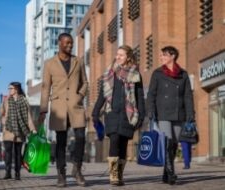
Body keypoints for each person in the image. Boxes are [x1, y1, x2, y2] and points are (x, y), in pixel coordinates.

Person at [39, 33, 88, 187]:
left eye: (71, 43)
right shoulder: (49, 63)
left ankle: (77, 169)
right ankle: (61, 174)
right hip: (58, 108)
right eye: (67, 43)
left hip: (76, 106)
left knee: (81, 136)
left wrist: (79, 96)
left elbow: (85, 82)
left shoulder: (78, 61)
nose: (70, 45)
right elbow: (46, 87)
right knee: (61, 141)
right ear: (59, 43)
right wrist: (43, 110)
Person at [92, 45, 145, 186]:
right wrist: (95, 111)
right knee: (114, 141)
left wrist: (141, 116)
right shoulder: (110, 73)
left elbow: (139, 97)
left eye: (121, 55)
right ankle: (114, 175)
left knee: (123, 145)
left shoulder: (135, 74)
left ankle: (119, 173)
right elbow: (102, 95)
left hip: (128, 115)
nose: (118, 57)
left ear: (128, 57)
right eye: (117, 54)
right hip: (112, 113)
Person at [147, 46, 195, 185]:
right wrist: (150, 110)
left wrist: (190, 113)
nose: (161, 57)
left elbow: (188, 96)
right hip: (163, 112)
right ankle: (171, 173)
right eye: (161, 55)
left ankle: (165, 174)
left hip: (179, 113)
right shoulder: (157, 73)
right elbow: (151, 94)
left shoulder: (183, 74)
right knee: (167, 141)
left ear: (172, 56)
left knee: (173, 144)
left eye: (164, 55)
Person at [0, 82, 36, 180]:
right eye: (9, 88)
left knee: (17, 153)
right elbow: (1, 112)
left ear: (16, 89)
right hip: (8, 129)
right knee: (8, 152)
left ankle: (17, 173)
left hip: (20, 130)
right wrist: (4, 120)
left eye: (10, 88)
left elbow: (28, 116)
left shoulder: (24, 100)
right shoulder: (7, 100)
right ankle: (7, 172)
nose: (9, 90)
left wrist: (32, 129)